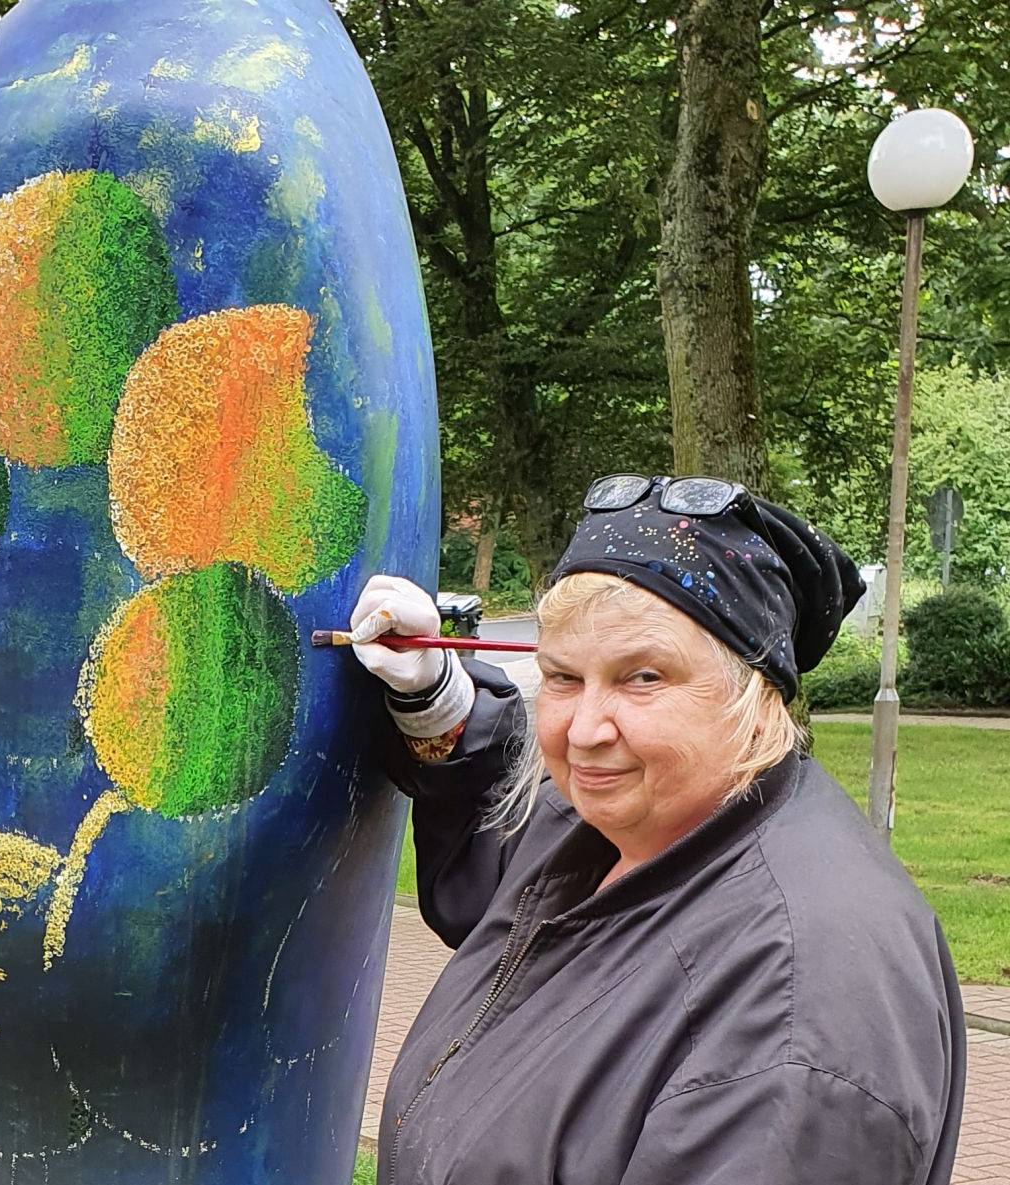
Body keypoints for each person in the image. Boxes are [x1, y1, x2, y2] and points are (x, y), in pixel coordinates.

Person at [350, 474, 964, 1185]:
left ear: (753, 689)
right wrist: (436, 697)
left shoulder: (800, 1015)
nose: (584, 729)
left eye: (643, 677)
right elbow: (511, 857)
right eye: (564, 676)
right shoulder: (632, 820)